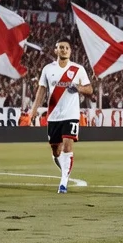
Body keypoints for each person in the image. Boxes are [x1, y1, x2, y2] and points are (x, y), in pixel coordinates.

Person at [26, 39, 94, 194]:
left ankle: (63, 182)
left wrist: (78, 87)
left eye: (67, 48)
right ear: (55, 50)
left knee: (68, 146)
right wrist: (34, 110)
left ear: (70, 51)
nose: (64, 50)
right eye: (61, 47)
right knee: (56, 151)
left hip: (71, 115)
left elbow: (89, 89)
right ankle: (64, 170)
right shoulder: (48, 69)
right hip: (53, 116)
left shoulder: (78, 69)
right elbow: (41, 91)